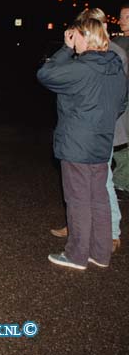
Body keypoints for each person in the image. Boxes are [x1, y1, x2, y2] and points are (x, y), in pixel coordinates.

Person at [38, 18, 127, 270]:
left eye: (74, 36)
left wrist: (65, 50)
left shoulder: (83, 67)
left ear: (86, 37)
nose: (71, 40)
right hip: (101, 141)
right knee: (98, 198)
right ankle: (100, 253)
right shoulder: (115, 66)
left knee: (77, 199)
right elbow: (121, 103)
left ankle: (76, 255)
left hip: (77, 142)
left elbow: (45, 74)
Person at [113, 2, 129, 200]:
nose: (121, 20)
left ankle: (121, 182)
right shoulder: (119, 42)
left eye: (126, 17)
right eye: (121, 16)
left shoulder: (119, 45)